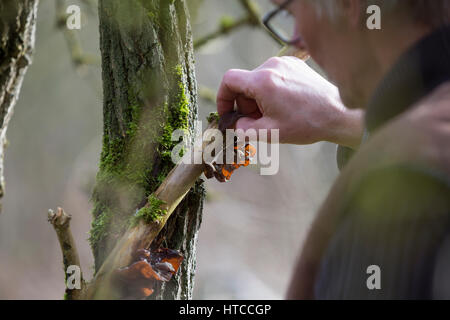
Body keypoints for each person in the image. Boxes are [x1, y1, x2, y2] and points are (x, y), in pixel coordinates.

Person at [216, 0, 450, 299]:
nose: (298, 39)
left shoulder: (410, 181)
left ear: (347, 5)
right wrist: (350, 121)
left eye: (292, 14)